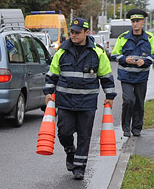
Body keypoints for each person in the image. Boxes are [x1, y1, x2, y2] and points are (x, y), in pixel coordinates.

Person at [44, 17, 117, 180]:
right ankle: (70, 151)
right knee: (64, 133)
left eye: (77, 32)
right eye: (71, 32)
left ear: (86, 32)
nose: (73, 35)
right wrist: (48, 92)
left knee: (84, 136)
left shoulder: (98, 53)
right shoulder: (62, 51)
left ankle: (79, 167)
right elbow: (52, 74)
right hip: (65, 102)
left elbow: (106, 76)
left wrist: (110, 95)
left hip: (87, 104)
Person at [110, 8, 154, 137]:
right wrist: (125, 59)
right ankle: (126, 128)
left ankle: (136, 128)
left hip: (141, 76)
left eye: (137, 21)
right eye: (133, 21)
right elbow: (115, 54)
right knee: (128, 101)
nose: (135, 24)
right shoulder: (123, 37)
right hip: (126, 75)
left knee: (139, 102)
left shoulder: (149, 38)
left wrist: (145, 61)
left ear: (142, 22)